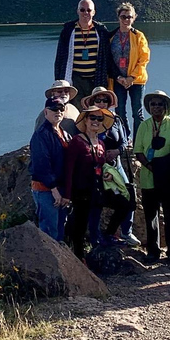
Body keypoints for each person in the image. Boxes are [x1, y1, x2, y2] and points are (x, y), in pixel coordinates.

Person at [80, 87, 139, 246]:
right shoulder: (88, 119)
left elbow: (125, 140)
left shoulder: (116, 120)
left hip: (116, 165)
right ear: (91, 103)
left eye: (104, 100)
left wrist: (117, 151)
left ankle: (125, 232)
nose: (101, 103)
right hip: (96, 168)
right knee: (96, 203)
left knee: (128, 197)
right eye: (97, 100)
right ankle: (95, 238)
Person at [134, 90, 170, 264]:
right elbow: (138, 150)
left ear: (165, 107)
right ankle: (153, 251)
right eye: (153, 104)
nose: (156, 107)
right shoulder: (144, 126)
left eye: (160, 104)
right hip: (148, 177)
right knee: (150, 214)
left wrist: (166, 168)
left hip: (168, 177)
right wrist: (149, 165)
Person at [63, 105, 117, 260]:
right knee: (79, 226)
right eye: (92, 117)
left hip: (96, 190)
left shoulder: (101, 144)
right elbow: (69, 170)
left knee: (124, 205)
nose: (96, 121)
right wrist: (67, 194)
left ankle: (98, 247)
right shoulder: (76, 142)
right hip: (80, 192)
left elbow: (100, 166)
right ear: (85, 120)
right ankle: (79, 258)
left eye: (99, 119)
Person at [54, 0, 116, 105]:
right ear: (78, 11)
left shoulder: (101, 31)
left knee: (95, 111)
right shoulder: (68, 31)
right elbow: (60, 58)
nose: (86, 13)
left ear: (94, 12)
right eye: (82, 10)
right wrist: (59, 81)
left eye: (89, 10)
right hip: (75, 80)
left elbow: (108, 57)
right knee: (76, 113)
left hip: (96, 79)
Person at [29, 98, 73, 241]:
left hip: (60, 189)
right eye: (54, 109)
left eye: (61, 109)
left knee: (60, 228)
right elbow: (42, 165)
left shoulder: (64, 133)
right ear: (46, 112)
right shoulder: (41, 135)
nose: (58, 112)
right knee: (49, 231)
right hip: (46, 190)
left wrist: (66, 191)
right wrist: (54, 190)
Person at [110, 2, 150, 139]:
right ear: (118, 17)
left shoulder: (139, 36)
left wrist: (131, 77)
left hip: (136, 81)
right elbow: (108, 60)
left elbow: (144, 59)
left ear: (134, 18)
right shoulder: (112, 37)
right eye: (123, 17)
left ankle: (138, 141)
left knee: (137, 112)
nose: (126, 19)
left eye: (129, 17)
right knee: (119, 111)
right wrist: (120, 78)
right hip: (118, 80)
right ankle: (124, 138)